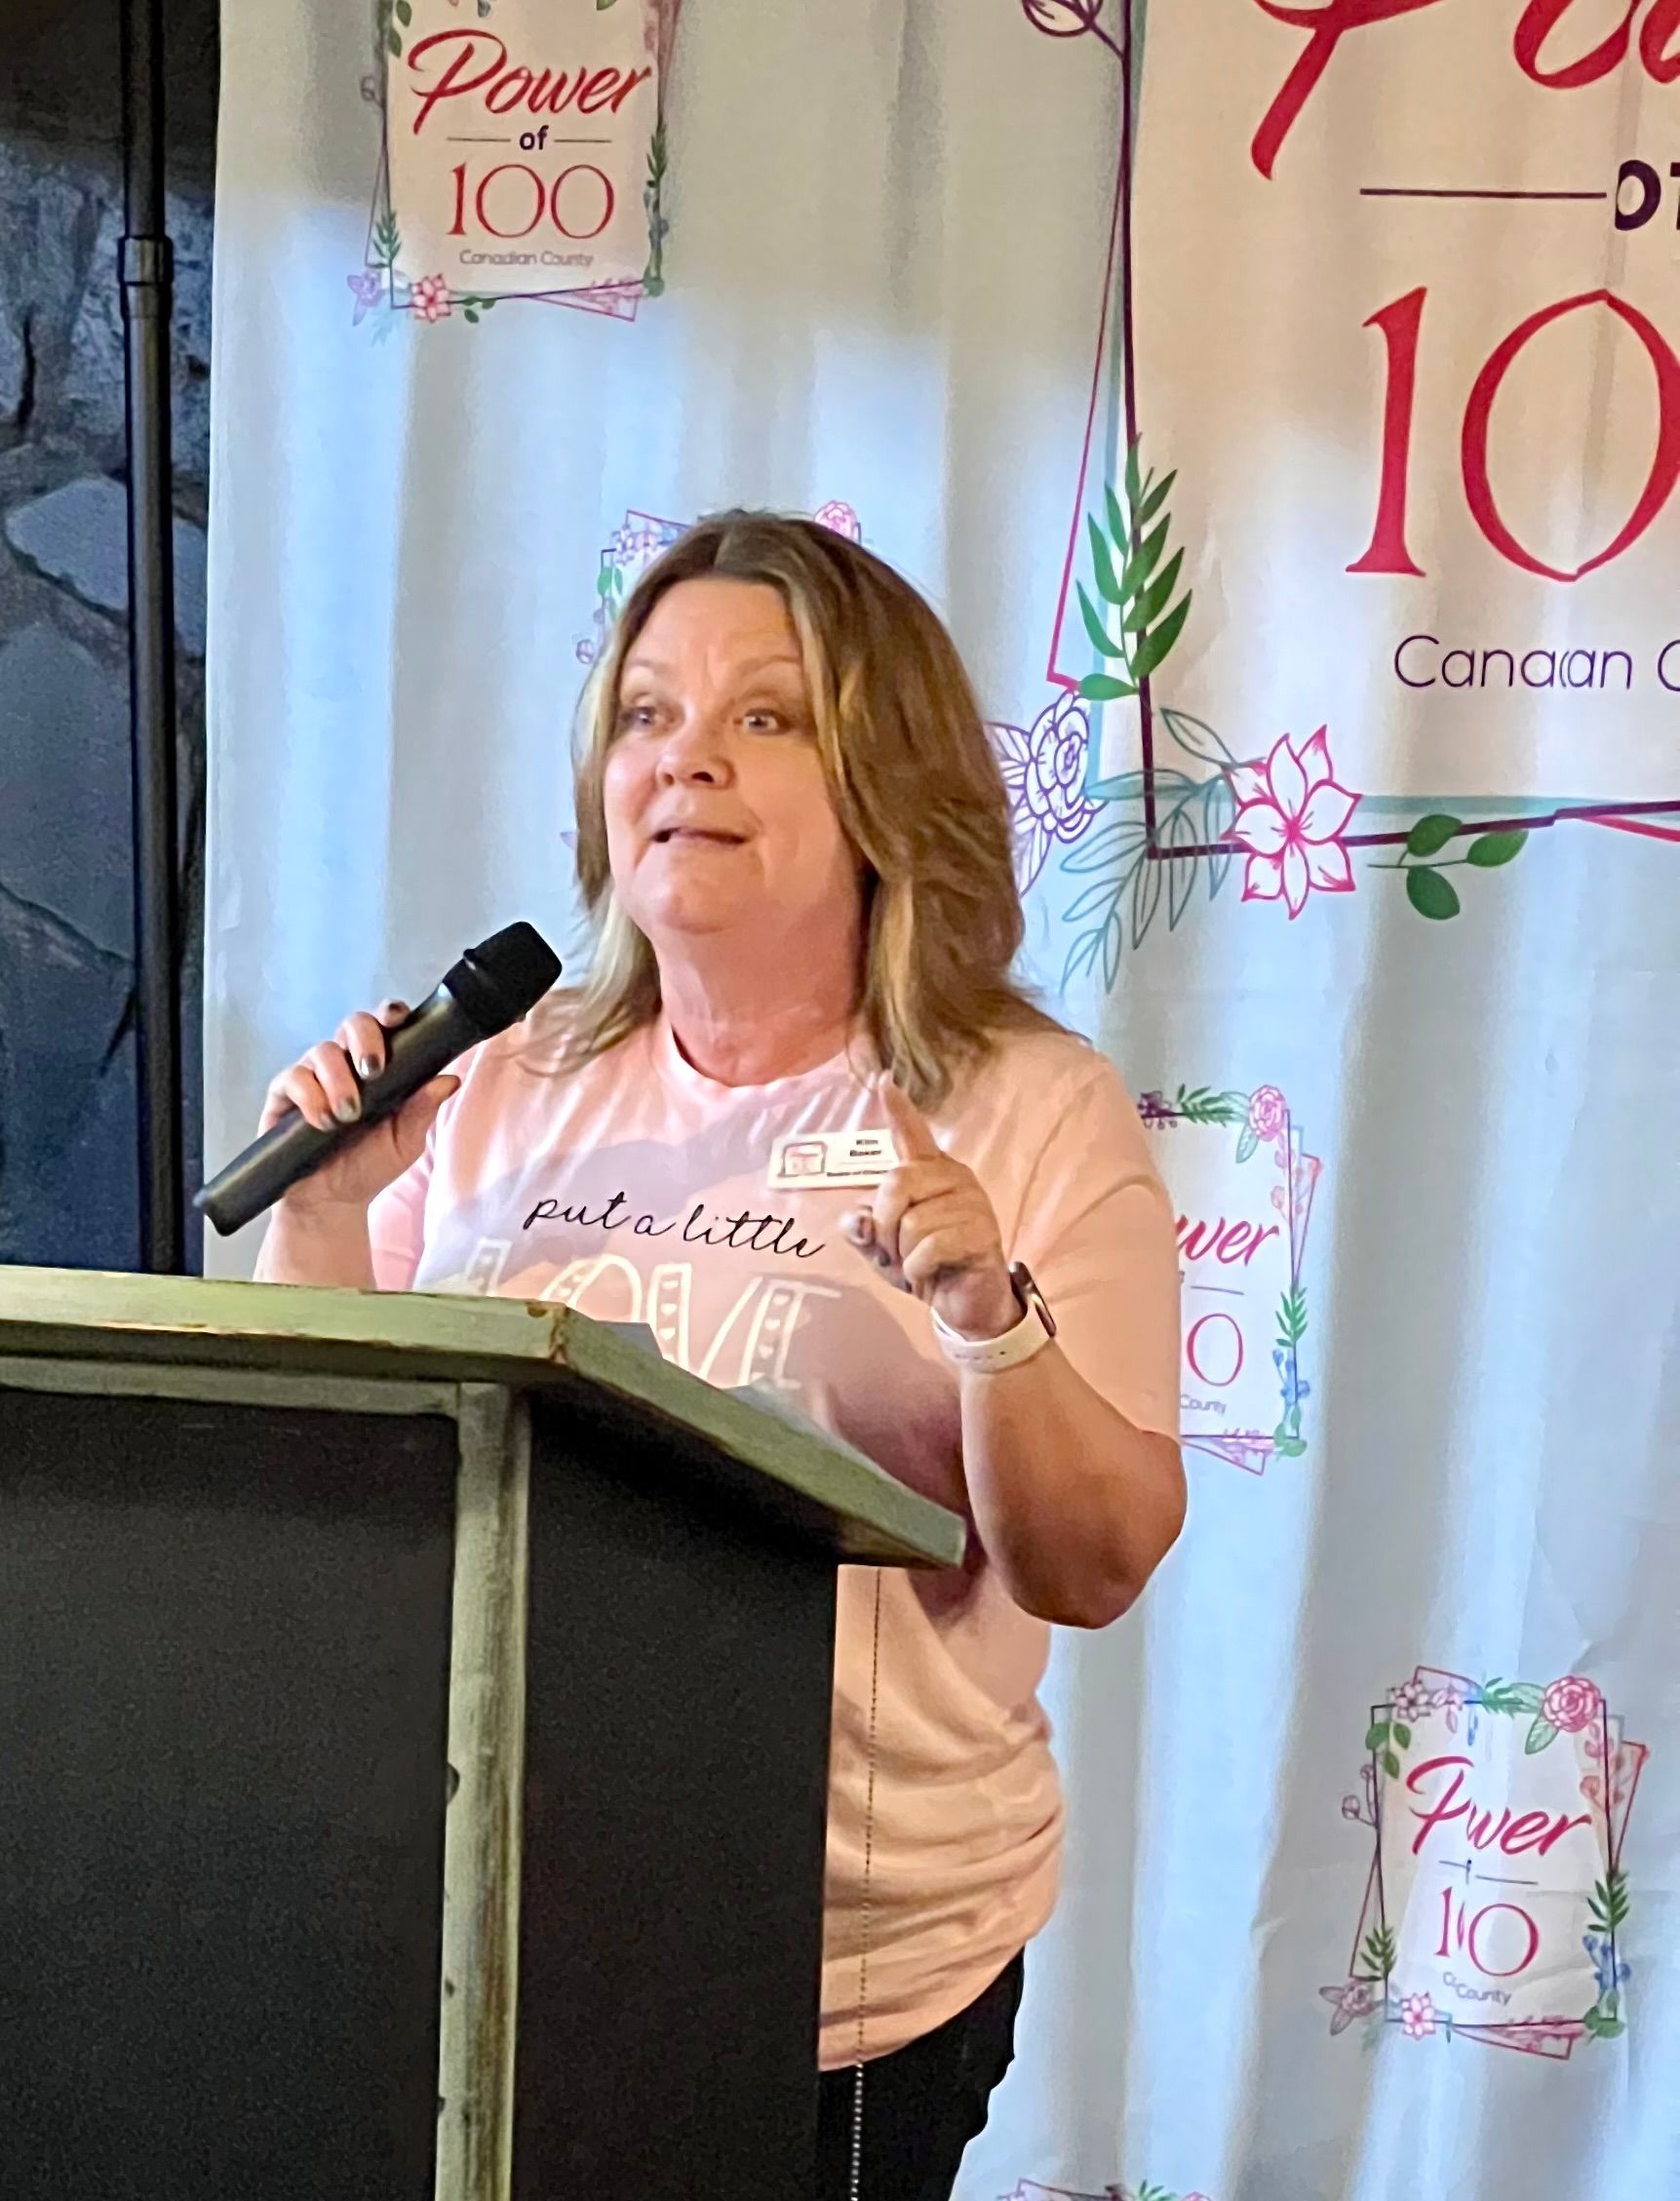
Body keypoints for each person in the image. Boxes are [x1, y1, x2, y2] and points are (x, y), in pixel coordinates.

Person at [255, 511, 1185, 2201]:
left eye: (767, 715)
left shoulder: (1028, 1103)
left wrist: (990, 1314)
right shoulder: (515, 1070)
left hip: (826, 1980)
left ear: (887, 778)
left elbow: (1098, 1559)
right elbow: (336, 1484)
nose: (687, 759)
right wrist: (320, 1217)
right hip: (476, 1902)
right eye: (645, 714)